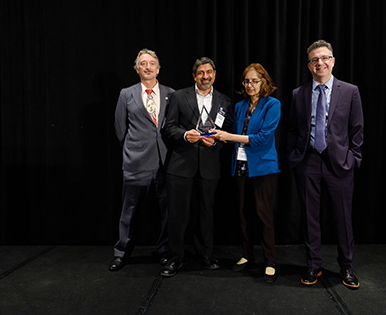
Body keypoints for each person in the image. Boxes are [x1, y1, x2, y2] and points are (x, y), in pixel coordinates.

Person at [286, 40, 364, 289]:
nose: (320, 63)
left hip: (339, 163)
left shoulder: (350, 91)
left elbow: (357, 129)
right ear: (309, 66)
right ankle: (313, 264)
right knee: (310, 217)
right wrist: (294, 157)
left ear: (332, 61)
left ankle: (347, 266)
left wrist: (353, 158)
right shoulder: (299, 94)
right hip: (307, 161)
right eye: (314, 60)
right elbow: (292, 129)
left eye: (324, 58)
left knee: (343, 217)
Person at [161, 57, 232, 277]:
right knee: (178, 215)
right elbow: (168, 128)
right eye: (201, 72)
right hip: (181, 164)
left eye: (209, 72)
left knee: (206, 213)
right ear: (194, 76)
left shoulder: (224, 101)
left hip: (209, 165)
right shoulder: (178, 96)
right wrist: (184, 135)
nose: (205, 76)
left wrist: (218, 141)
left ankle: (206, 255)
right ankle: (175, 258)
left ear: (215, 74)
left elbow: (227, 129)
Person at [213, 63, 280, 283]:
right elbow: (228, 129)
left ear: (264, 82)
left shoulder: (273, 104)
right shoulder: (240, 105)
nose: (250, 85)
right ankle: (246, 254)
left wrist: (228, 137)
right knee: (242, 213)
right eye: (246, 81)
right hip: (240, 164)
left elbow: (262, 137)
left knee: (263, 214)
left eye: (254, 81)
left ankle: (270, 260)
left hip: (262, 166)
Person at [110, 49, 175, 271]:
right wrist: (133, 149)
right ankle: (122, 252)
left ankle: (165, 250)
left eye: (152, 63)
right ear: (137, 69)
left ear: (158, 68)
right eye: (143, 64)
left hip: (165, 163)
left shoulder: (171, 94)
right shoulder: (126, 94)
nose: (148, 67)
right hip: (136, 163)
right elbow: (120, 129)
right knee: (129, 209)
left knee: (167, 211)